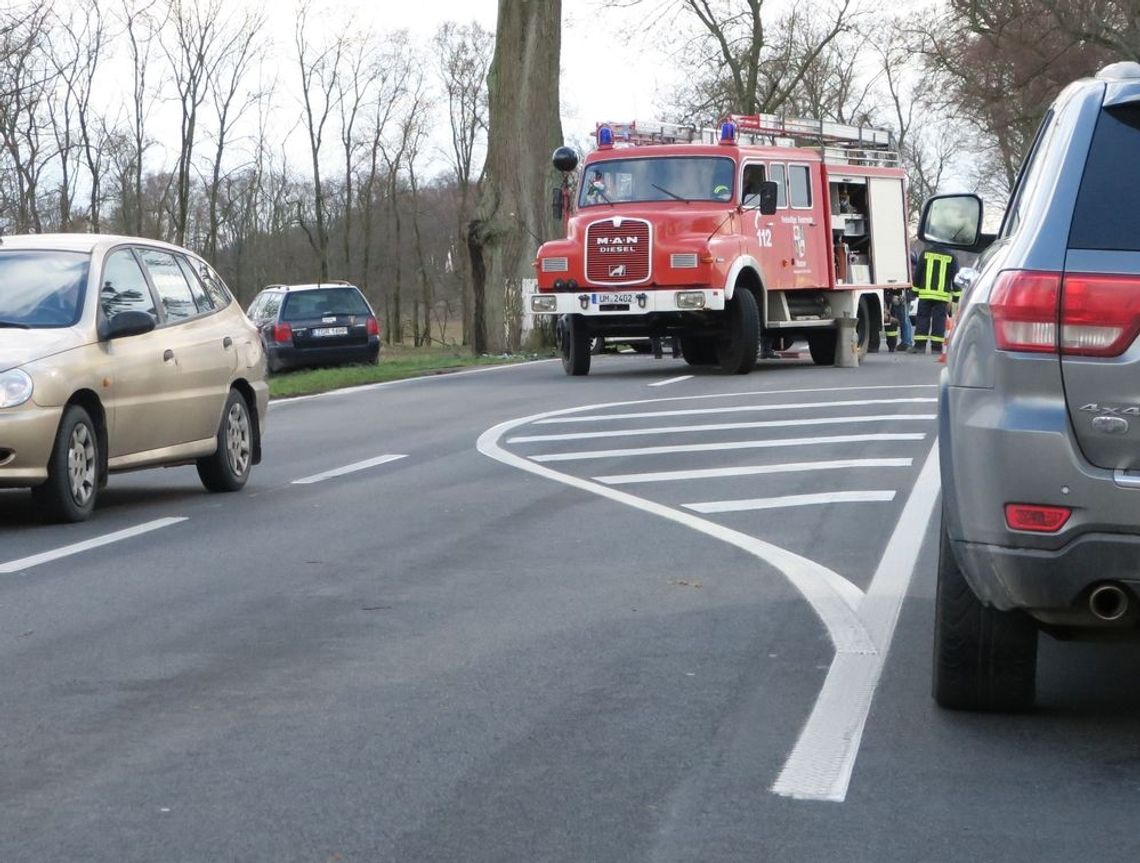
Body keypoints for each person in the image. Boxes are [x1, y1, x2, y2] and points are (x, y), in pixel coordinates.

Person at [910, 243, 959, 355]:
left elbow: (918, 274)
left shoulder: (925, 254)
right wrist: (956, 297)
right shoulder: (951, 257)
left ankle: (919, 346)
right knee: (939, 320)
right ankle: (936, 348)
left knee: (922, 318)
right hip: (941, 296)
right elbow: (956, 278)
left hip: (925, 294)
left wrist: (915, 291)